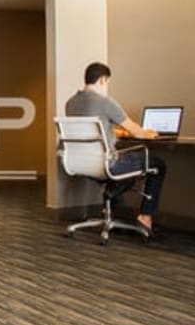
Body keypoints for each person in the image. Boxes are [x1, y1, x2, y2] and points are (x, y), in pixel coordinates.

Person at [64, 61, 168, 232]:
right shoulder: (105, 102)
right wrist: (152, 133)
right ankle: (145, 216)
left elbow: (91, 130)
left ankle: (110, 201)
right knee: (156, 164)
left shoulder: (71, 103)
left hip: (83, 163)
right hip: (108, 164)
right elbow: (137, 132)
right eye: (107, 83)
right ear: (103, 80)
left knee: (129, 166)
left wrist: (114, 133)